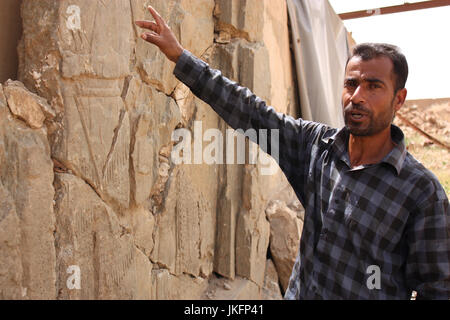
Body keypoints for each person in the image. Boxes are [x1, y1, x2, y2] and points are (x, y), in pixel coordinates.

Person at [135, 6, 449, 300]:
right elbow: (251, 113)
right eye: (351, 84)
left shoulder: (421, 192)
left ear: (399, 99)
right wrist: (180, 56)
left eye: (373, 86)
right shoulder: (316, 147)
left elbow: (437, 288)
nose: (357, 97)